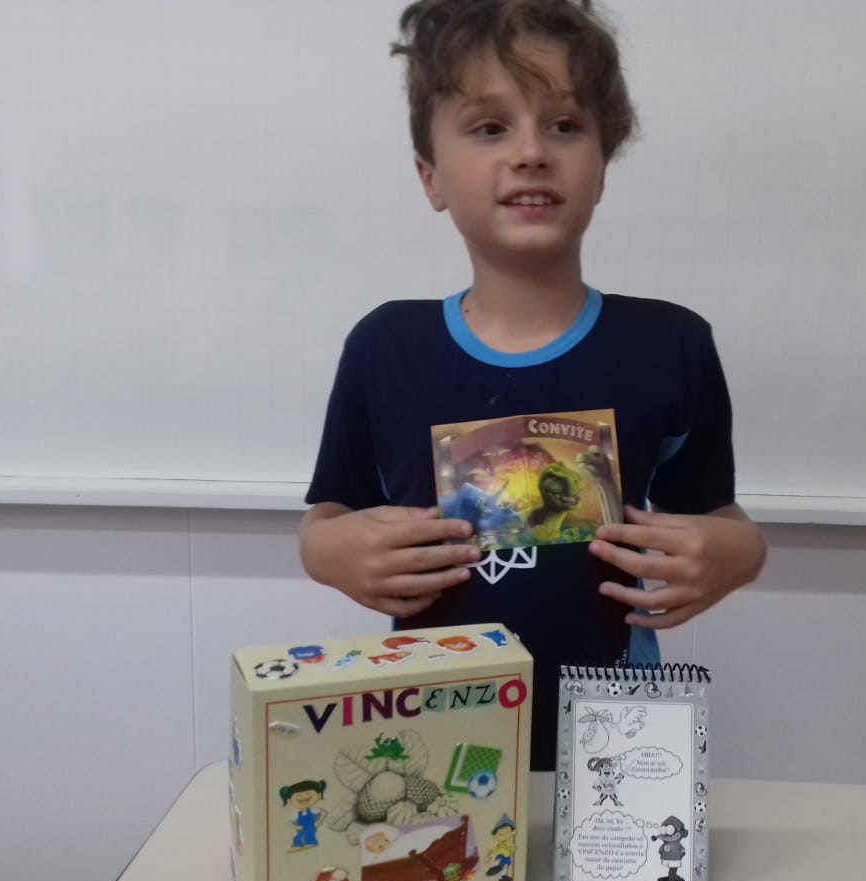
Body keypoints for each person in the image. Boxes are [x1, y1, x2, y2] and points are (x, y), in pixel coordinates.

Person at [300, 0, 766, 771]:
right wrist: (330, 553)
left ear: (602, 168)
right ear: (430, 177)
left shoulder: (670, 346)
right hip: (436, 741)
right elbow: (328, 518)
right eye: (490, 128)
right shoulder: (387, 348)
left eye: (564, 125)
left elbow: (716, 516)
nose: (530, 153)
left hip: (614, 749)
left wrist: (740, 554)